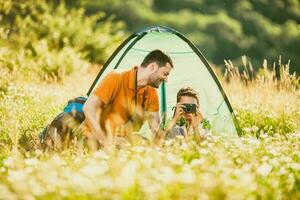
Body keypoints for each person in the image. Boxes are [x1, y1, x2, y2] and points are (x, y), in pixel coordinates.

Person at [83, 49, 173, 150]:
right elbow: (88, 108)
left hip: (124, 140)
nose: (166, 79)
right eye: (165, 74)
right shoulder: (116, 78)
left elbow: (155, 128)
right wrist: (104, 141)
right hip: (96, 138)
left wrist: (163, 145)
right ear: (152, 67)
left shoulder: (151, 92)